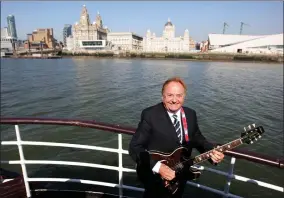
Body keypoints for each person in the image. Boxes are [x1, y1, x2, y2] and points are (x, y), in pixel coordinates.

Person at [128, 77, 225, 198]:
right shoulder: (150, 114)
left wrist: (212, 151)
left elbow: (197, 138)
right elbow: (135, 147)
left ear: (184, 96)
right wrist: (159, 167)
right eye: (170, 95)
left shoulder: (190, 114)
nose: (174, 100)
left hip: (181, 172)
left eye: (179, 95)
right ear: (162, 96)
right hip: (156, 177)